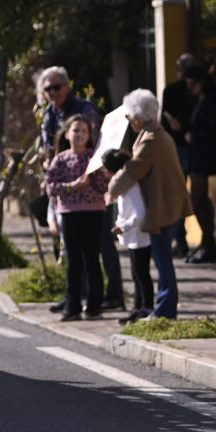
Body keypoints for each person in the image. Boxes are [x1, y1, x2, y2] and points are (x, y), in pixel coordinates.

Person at [38, 66, 124, 312]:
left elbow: (99, 148)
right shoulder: (50, 116)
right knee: (73, 256)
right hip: (69, 206)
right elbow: (49, 163)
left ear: (67, 86)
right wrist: (59, 174)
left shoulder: (84, 109)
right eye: (47, 89)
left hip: (94, 204)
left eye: (57, 87)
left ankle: (110, 296)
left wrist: (96, 173)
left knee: (101, 248)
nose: (52, 92)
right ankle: (76, 298)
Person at [107, 89, 192, 320]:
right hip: (168, 204)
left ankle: (164, 311)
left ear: (137, 117)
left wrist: (111, 190)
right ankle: (164, 309)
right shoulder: (157, 134)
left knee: (163, 261)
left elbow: (132, 171)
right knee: (162, 260)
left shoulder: (151, 140)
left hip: (163, 207)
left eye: (129, 116)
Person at [46, 114, 109, 320]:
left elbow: (103, 188)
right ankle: (72, 306)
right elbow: (51, 187)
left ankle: (94, 306)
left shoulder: (95, 159)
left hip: (94, 213)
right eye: (76, 130)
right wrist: (74, 185)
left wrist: (100, 174)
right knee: (73, 261)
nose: (80, 134)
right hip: (70, 213)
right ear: (67, 134)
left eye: (84, 131)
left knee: (92, 259)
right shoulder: (61, 159)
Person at [102, 149, 153, 325]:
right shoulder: (125, 186)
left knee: (141, 274)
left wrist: (123, 227)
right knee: (136, 273)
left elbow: (140, 213)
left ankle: (147, 309)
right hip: (134, 238)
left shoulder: (130, 186)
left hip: (139, 236)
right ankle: (138, 309)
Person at [182, 63, 216, 264]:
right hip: (198, 155)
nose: (191, 89)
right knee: (198, 200)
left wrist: (193, 136)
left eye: (192, 85)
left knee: (198, 199)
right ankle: (207, 242)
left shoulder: (211, 101)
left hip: (205, 155)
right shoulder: (202, 100)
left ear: (201, 83)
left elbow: (212, 130)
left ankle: (209, 243)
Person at [161, 53, 196, 257]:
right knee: (182, 196)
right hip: (182, 149)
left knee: (187, 197)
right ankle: (181, 240)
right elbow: (165, 120)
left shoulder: (198, 92)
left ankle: (184, 241)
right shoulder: (176, 91)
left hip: (185, 149)